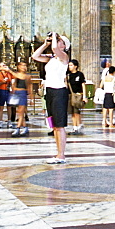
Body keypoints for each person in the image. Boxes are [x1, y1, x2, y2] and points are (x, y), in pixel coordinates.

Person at [32, 32, 70, 163]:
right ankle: (58, 154)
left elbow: (55, 49)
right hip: (50, 91)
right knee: (54, 125)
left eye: (60, 41)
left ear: (64, 46)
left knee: (60, 125)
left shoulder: (64, 57)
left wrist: (54, 35)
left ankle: (62, 155)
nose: (57, 42)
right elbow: (35, 56)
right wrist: (44, 44)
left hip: (59, 92)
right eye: (57, 40)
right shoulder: (51, 58)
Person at [10, 61, 32, 137]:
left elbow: (29, 86)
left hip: (23, 93)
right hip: (17, 93)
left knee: (21, 112)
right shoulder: (16, 75)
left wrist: (31, 98)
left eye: (25, 65)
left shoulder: (27, 76)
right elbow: (14, 84)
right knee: (19, 111)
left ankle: (18, 128)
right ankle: (25, 127)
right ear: (18, 66)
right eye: (22, 65)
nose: (24, 67)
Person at [67, 59, 86, 135]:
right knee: (72, 112)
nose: (69, 67)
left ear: (76, 66)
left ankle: (78, 126)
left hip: (78, 95)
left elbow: (83, 85)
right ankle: (75, 127)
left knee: (77, 112)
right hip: (70, 95)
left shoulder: (80, 74)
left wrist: (84, 96)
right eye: (69, 65)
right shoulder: (68, 75)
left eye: (71, 65)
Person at [0, 62, 13, 128]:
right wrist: (2, 82)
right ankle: (0, 121)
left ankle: (9, 121)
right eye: (3, 66)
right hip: (1, 90)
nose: (5, 66)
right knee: (1, 106)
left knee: (9, 106)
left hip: (8, 90)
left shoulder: (9, 74)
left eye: (5, 65)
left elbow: (14, 79)